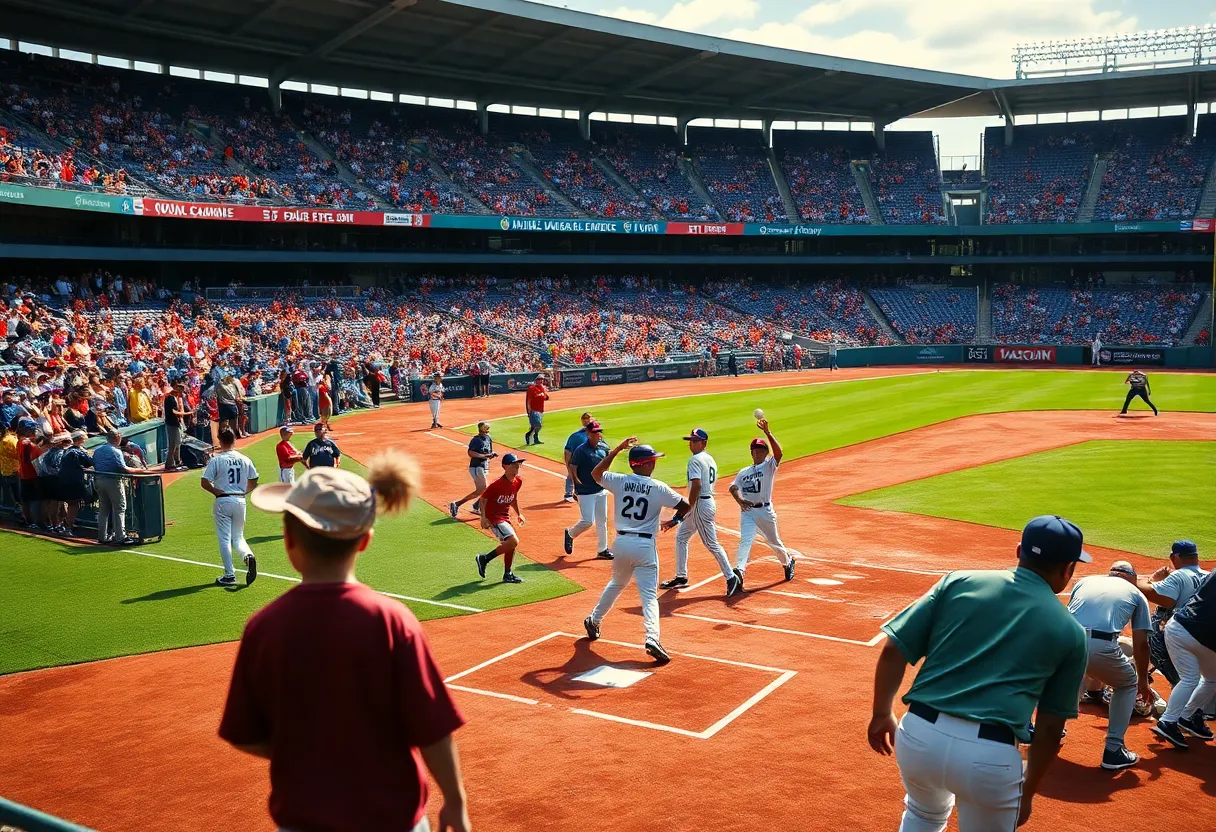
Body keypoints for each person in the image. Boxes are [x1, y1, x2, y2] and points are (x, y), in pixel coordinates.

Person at [222, 452, 472, 832]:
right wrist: (454, 801)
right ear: (365, 541)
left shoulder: (264, 627)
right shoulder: (392, 621)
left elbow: (244, 733)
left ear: (289, 539)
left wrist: (305, 751)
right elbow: (433, 728)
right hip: (394, 820)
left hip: (304, 821)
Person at [868, 515, 1090, 831]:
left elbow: (894, 650)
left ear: (1018, 551)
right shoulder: (1071, 631)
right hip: (990, 756)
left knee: (922, 816)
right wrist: (1027, 791)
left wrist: (881, 713)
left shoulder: (958, 582)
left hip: (918, 736)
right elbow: (1051, 728)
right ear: (1069, 569)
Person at [583, 439, 690, 664]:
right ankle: (652, 638)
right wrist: (675, 520)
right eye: (652, 460)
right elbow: (685, 505)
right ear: (643, 464)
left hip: (621, 544)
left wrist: (618, 449)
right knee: (649, 596)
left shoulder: (619, 481)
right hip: (644, 546)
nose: (654, 464)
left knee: (617, 583)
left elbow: (596, 473)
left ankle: (594, 619)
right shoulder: (658, 487)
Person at [1066, 560, 1152, 770]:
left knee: (1071, 675)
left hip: (1064, 638)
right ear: (1131, 578)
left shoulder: (1086, 581)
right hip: (1100, 645)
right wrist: (1143, 681)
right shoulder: (1137, 594)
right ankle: (1114, 749)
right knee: (1127, 684)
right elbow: (1141, 645)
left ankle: (1050, 730)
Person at [662, 428, 740, 597]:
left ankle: (731, 577)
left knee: (712, 543)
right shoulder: (709, 458)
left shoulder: (695, 460)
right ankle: (681, 576)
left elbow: (696, 485)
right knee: (681, 537)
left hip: (699, 504)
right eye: (691, 440)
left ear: (704, 443)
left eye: (695, 440)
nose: (691, 443)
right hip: (703, 502)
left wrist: (686, 507)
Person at [1152, 569, 1216, 749]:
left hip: (1179, 627)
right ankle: (1169, 721)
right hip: (1193, 634)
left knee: (1209, 678)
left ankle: (1187, 717)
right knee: (1191, 678)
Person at [729, 419, 795, 584]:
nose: (757, 452)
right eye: (754, 450)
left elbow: (779, 453)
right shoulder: (744, 472)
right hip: (748, 512)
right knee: (746, 540)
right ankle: (739, 572)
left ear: (766, 452)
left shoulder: (769, 467)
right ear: (751, 453)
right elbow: (733, 487)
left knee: (774, 543)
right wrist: (740, 500)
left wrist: (767, 432)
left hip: (765, 512)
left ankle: (787, 563)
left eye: (760, 450)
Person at [1136, 540, 1208, 690]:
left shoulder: (1179, 576)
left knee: (1156, 647)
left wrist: (1151, 580)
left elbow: (1160, 598)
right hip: (1206, 637)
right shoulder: (1209, 576)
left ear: (1174, 557)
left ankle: (1182, 694)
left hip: (1181, 637)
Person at [200, 428, 260, 587]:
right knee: (238, 537)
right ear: (234, 440)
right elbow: (254, 479)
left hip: (223, 500)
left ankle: (229, 575)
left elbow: (204, 482)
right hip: (240, 501)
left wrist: (215, 491)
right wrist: (244, 492)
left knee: (224, 538)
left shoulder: (217, 460)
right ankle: (248, 555)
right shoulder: (244, 459)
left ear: (220, 441)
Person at [563, 419, 612, 561]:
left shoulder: (603, 447)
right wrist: (576, 485)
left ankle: (602, 550)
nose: (598, 435)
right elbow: (573, 467)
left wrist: (605, 477)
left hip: (600, 488)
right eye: (595, 432)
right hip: (585, 490)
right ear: (588, 433)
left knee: (602, 520)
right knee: (588, 521)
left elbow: (607, 461)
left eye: (599, 432)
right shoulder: (581, 450)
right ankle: (570, 534)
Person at [474, 453, 527, 585]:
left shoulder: (518, 481)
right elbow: (483, 500)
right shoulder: (496, 484)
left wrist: (519, 514)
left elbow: (513, 498)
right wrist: (483, 518)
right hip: (494, 517)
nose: (517, 467)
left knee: (510, 544)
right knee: (513, 541)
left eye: (518, 464)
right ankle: (484, 559)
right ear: (505, 466)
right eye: (514, 464)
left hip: (504, 516)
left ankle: (507, 574)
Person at [93, 428, 139, 545]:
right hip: (113, 482)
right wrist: (139, 470)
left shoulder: (98, 450)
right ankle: (120, 536)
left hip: (99, 481)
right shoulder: (115, 451)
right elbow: (124, 468)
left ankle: (102, 536)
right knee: (119, 508)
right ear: (117, 438)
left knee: (104, 509)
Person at [449, 421, 495, 519]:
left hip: (484, 466)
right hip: (477, 466)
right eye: (485, 427)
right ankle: (458, 504)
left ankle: (474, 506)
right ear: (481, 429)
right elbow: (471, 453)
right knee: (484, 489)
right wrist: (484, 456)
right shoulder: (476, 440)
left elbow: (489, 452)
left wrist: (491, 455)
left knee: (482, 490)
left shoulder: (488, 438)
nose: (487, 429)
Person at [57, 430, 93, 536]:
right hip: (73, 481)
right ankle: (68, 527)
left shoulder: (67, 451)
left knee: (69, 503)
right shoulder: (77, 451)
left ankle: (65, 526)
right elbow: (89, 462)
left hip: (63, 480)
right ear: (81, 439)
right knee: (74, 504)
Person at [15, 419, 42, 529]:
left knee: (25, 500)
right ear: (27, 430)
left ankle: (29, 522)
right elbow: (33, 459)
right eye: (32, 430)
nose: (34, 432)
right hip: (32, 474)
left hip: (23, 474)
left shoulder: (19, 442)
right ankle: (35, 522)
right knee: (35, 500)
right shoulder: (28, 444)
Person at [562, 412, 593, 503]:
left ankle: (577, 492)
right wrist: (568, 462)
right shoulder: (577, 436)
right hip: (577, 459)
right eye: (586, 419)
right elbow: (568, 450)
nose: (588, 420)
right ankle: (569, 493)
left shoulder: (591, 434)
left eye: (589, 418)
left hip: (587, 459)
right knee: (572, 474)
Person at [163, 379, 193, 472]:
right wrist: (188, 413)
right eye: (179, 388)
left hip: (176, 423)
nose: (180, 391)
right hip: (171, 423)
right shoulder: (170, 398)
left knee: (178, 443)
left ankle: (177, 462)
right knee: (173, 445)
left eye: (181, 389)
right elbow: (174, 412)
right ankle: (169, 465)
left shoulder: (175, 398)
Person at [523, 375, 549, 446]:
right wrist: (529, 411)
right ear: (536, 380)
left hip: (540, 410)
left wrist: (546, 394)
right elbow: (528, 400)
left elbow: (545, 397)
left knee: (535, 426)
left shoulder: (542, 388)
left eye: (542, 380)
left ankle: (535, 438)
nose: (541, 381)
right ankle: (528, 435)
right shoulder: (531, 388)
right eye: (539, 379)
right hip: (533, 410)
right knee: (538, 425)